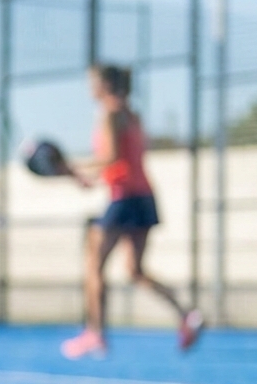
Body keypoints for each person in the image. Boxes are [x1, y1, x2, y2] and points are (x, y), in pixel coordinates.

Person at [61, 65, 202, 360]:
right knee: (135, 270)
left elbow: (111, 157)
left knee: (94, 266)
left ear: (105, 85)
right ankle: (186, 315)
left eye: (93, 83)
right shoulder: (132, 115)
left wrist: (74, 167)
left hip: (124, 198)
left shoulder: (110, 114)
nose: (90, 88)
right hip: (144, 196)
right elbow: (123, 160)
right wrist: (93, 178)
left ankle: (95, 334)